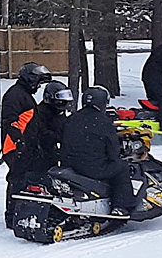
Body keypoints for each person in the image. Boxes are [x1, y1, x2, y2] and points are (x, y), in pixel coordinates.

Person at [60, 86, 142, 216]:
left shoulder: (72, 118)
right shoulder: (104, 122)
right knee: (122, 167)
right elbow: (113, 152)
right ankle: (121, 206)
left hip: (70, 165)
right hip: (92, 168)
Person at [1, 61, 52, 227]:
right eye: (38, 83)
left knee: (29, 179)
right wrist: (19, 144)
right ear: (30, 79)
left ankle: (24, 212)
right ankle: (11, 217)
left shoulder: (24, 95)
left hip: (26, 147)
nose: (38, 87)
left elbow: (31, 124)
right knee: (17, 180)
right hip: (15, 147)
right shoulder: (15, 96)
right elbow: (10, 122)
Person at [25, 80, 73, 176]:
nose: (63, 102)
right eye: (60, 98)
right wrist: (59, 137)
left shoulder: (58, 112)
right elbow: (42, 132)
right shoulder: (40, 112)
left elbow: (63, 126)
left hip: (54, 152)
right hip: (41, 154)